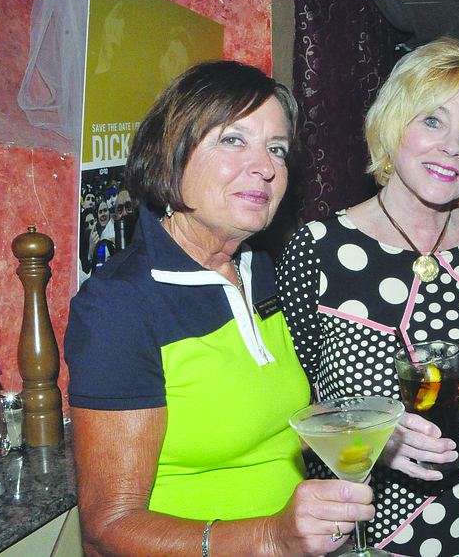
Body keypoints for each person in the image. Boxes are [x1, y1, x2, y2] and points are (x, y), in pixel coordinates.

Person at [64, 60, 374, 557]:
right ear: (173, 151)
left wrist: (368, 427)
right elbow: (109, 527)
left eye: (277, 149)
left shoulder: (261, 270)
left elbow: (270, 426)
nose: (266, 166)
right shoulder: (119, 306)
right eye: (234, 139)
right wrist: (270, 538)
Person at [277, 37, 459, 556]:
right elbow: (286, 406)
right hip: (361, 531)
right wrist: (368, 439)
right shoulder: (319, 247)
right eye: (432, 120)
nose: (452, 147)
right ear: (394, 124)